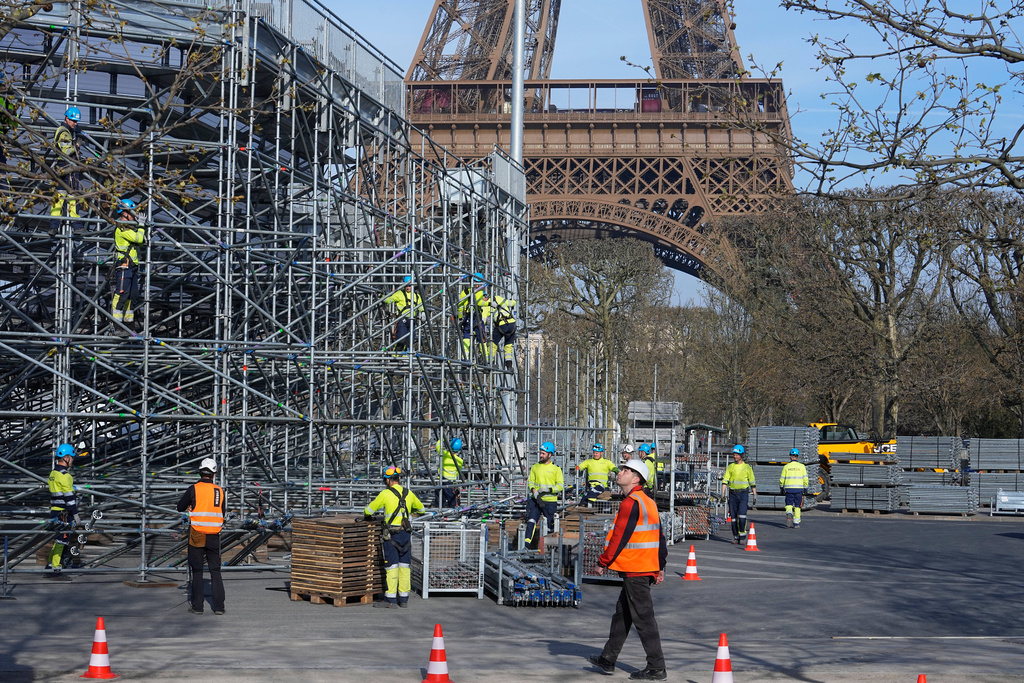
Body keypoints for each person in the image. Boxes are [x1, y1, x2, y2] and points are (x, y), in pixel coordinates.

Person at [590, 458, 667, 681]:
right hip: (642, 568)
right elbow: (660, 538)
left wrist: (602, 562)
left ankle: (656, 667)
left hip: (636, 569)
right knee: (623, 614)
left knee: (644, 619)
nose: (620, 472)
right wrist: (660, 566)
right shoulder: (647, 501)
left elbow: (619, 537)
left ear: (636, 479)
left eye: (626, 470)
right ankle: (608, 658)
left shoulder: (631, 503)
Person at [364, 465, 425, 608]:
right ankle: (403, 599)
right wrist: (411, 513)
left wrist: (369, 515)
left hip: (391, 536)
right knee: (404, 566)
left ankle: (390, 600)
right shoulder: (408, 493)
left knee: (391, 566)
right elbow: (422, 509)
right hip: (405, 535)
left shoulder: (385, 494)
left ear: (388, 480)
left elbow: (368, 511)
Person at [177, 457, 226, 615]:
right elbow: (222, 512)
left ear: (200, 473)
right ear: (213, 474)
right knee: (215, 571)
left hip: (197, 534)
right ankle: (219, 607)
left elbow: (180, 507)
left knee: (197, 571)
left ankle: (198, 607)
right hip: (214, 535)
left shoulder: (194, 489)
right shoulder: (219, 491)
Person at [47, 443, 82, 579]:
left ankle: (50, 566)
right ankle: (56, 569)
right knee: (62, 541)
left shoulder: (53, 474)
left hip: (55, 511)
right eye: (72, 457)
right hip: (64, 513)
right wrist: (75, 514)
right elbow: (69, 498)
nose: (73, 460)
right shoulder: (65, 476)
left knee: (57, 540)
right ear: (66, 458)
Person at [111, 199, 146, 331]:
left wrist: (140, 230)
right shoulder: (122, 226)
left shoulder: (130, 228)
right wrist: (142, 227)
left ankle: (128, 324)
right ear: (124, 213)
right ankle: (117, 325)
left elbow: (141, 242)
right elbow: (139, 239)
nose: (134, 215)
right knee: (122, 293)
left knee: (132, 295)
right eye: (131, 212)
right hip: (124, 266)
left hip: (132, 266)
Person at [50, 106, 83, 234]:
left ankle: (54, 226)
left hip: (62, 167)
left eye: (76, 122)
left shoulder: (66, 131)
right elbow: (66, 151)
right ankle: (76, 226)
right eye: (73, 121)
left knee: (60, 197)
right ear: (66, 118)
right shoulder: (63, 131)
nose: (75, 123)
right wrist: (77, 145)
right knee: (72, 195)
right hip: (67, 166)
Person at [525, 441, 564, 549]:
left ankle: (549, 549)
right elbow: (530, 482)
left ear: (550, 455)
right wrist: (534, 491)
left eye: (543, 453)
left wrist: (548, 489)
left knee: (550, 524)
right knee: (531, 521)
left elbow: (560, 485)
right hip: (535, 500)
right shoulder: (535, 467)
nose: (541, 455)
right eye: (541, 453)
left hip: (550, 501)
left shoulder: (556, 469)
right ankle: (526, 546)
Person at [721, 444, 757, 546]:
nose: (735, 456)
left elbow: (752, 482)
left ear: (741, 455)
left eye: (737, 454)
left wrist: (754, 495)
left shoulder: (747, 467)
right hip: (732, 494)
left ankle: (742, 536)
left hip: (743, 494)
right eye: (734, 454)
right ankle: (735, 536)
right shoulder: (731, 467)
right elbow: (725, 481)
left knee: (742, 515)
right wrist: (722, 494)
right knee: (733, 518)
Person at [384, 276, 422, 353]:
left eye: (409, 285)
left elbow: (421, 306)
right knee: (401, 339)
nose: (408, 287)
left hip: (412, 320)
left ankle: (405, 354)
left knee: (410, 340)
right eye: (406, 285)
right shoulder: (400, 294)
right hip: (402, 320)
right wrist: (382, 297)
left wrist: (423, 313)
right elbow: (389, 300)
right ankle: (396, 355)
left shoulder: (417, 296)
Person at [458, 272, 491, 361]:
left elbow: (460, 307)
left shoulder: (464, 292)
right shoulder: (480, 292)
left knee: (467, 337)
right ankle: (486, 360)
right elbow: (480, 303)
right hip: (476, 318)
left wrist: (460, 319)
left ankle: (465, 358)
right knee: (482, 339)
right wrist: (490, 303)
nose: (477, 286)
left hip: (468, 318)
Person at [780, 448, 809, 528]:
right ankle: (796, 523)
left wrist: (781, 487)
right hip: (799, 489)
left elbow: (782, 478)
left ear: (790, 456)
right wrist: (805, 488)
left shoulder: (786, 467)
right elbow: (805, 478)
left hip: (789, 489)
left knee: (789, 504)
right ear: (798, 457)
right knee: (797, 506)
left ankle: (789, 513)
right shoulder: (802, 467)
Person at [490, 290, 517, 369]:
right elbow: (512, 303)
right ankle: (509, 365)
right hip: (512, 324)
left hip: (501, 325)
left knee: (493, 344)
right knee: (508, 346)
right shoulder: (499, 298)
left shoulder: (487, 305)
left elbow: (484, 319)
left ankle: (490, 363)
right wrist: (513, 300)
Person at [435, 437, 464, 508]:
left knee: (440, 501)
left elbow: (438, 446)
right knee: (454, 502)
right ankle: (454, 515)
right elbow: (458, 472)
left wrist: (443, 438)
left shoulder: (444, 454)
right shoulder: (460, 461)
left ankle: (439, 514)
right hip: (451, 483)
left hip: (441, 480)